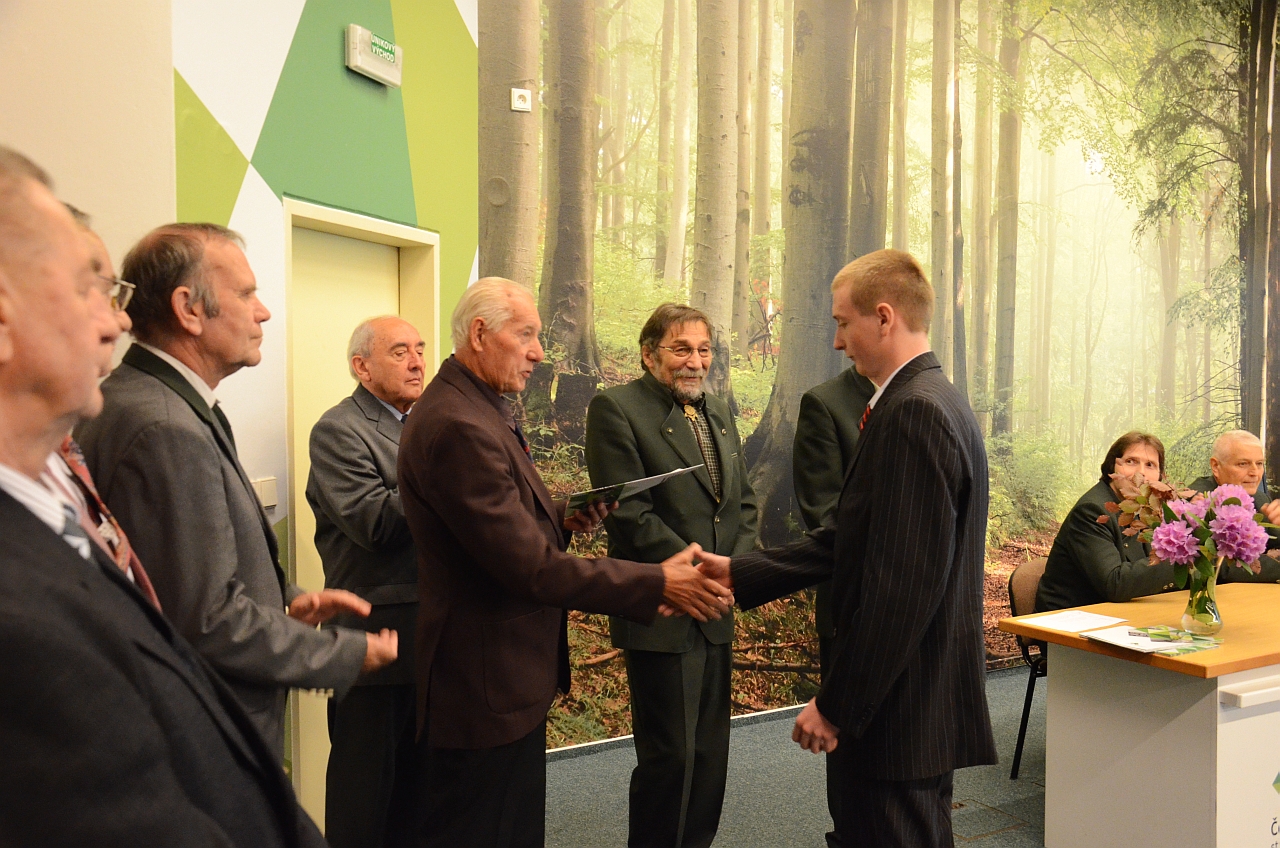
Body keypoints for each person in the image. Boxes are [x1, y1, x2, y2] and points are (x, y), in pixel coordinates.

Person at [0, 146, 326, 846]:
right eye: (88, 288)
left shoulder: (51, 501)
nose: (116, 323)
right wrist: (343, 655)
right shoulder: (158, 424)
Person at [398, 277, 735, 848]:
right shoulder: (459, 424)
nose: (539, 352)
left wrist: (560, 515)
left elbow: (496, 528)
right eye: (527, 336)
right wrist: (659, 581)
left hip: (500, 677)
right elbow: (531, 569)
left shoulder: (477, 407)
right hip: (483, 681)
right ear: (479, 334)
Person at [697, 249, 997, 847]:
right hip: (910, 700)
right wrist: (739, 572)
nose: (837, 341)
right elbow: (854, 539)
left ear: (883, 318)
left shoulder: (915, 412)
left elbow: (900, 590)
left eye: (842, 322)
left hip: (897, 708)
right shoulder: (929, 398)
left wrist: (837, 704)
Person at [74, 222, 397, 758]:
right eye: (246, 294)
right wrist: (343, 655)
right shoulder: (164, 426)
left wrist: (285, 602)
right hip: (204, 733)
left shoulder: (160, 404)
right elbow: (204, 620)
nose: (262, 311)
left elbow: (184, 578)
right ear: (189, 309)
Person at [584, 303, 759, 848]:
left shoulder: (718, 410)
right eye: (681, 349)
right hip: (664, 608)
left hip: (717, 605)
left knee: (709, 755)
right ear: (648, 353)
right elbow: (629, 515)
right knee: (671, 758)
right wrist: (700, 575)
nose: (695, 361)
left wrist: (734, 572)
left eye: (704, 350)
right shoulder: (616, 408)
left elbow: (743, 505)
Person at [306, 316, 425, 848]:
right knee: (365, 805)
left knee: (419, 803)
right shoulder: (338, 430)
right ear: (362, 367)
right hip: (374, 637)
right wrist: (448, 480)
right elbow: (374, 523)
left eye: (420, 349)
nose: (417, 362)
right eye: (400, 352)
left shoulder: (425, 424)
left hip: (433, 636)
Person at [790, 363, 875, 845]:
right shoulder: (826, 404)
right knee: (852, 758)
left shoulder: (924, 399)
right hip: (851, 608)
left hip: (913, 613)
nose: (839, 339)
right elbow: (825, 516)